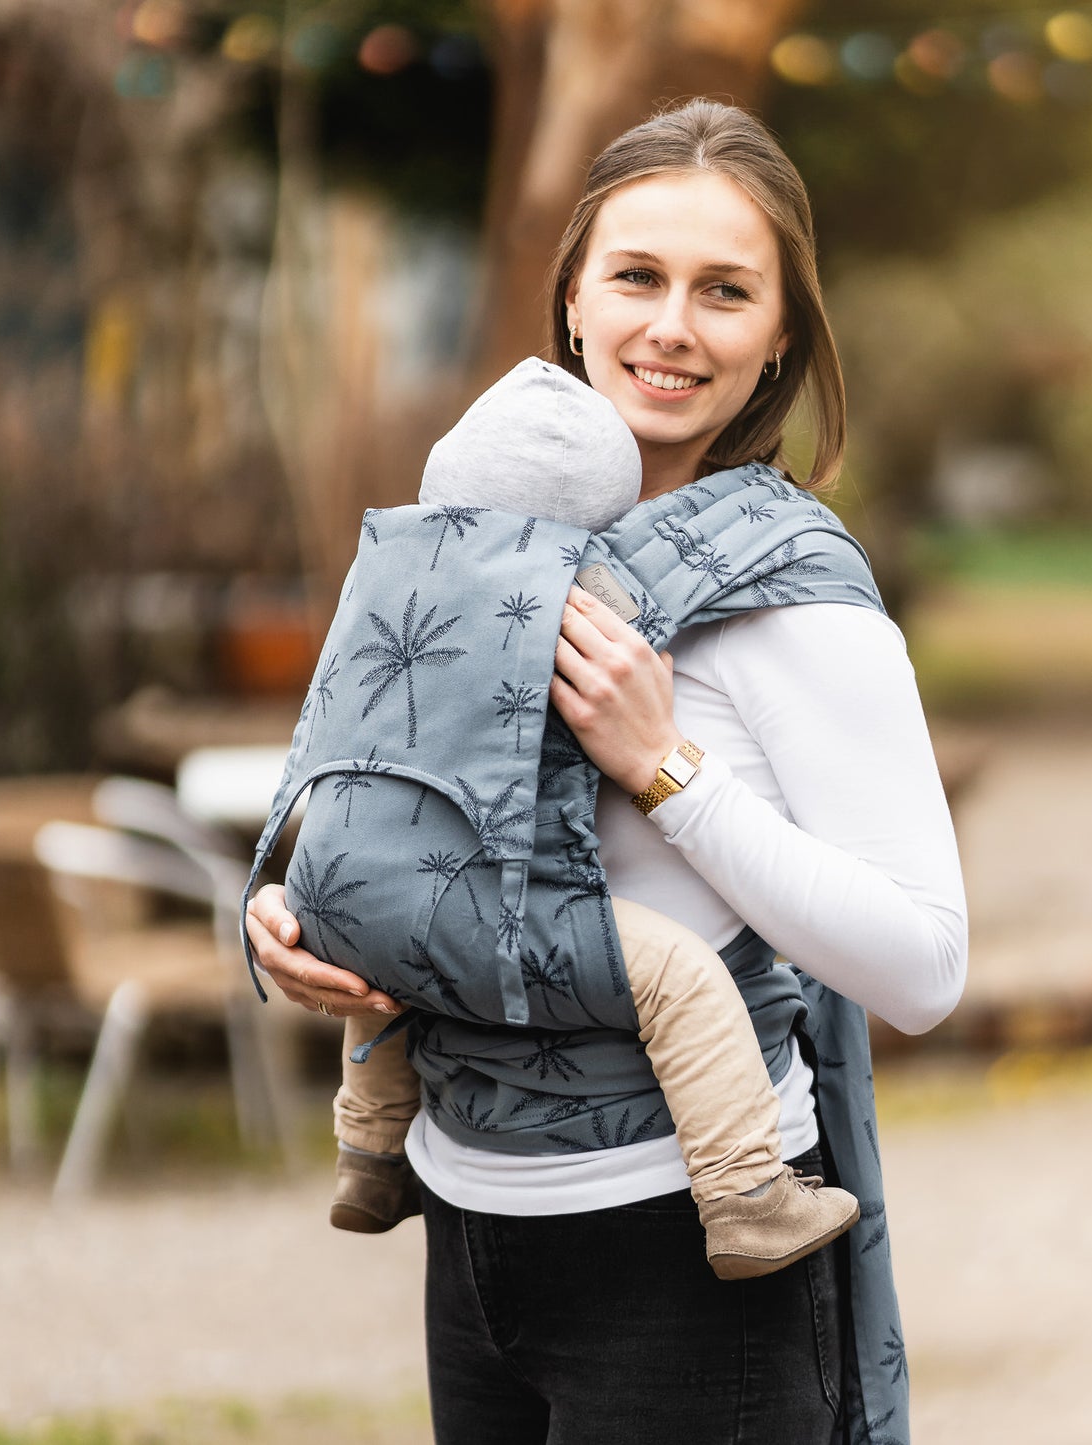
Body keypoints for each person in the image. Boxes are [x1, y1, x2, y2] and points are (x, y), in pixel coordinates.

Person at [245, 98, 966, 1445]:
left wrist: (667, 767)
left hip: (689, 1257)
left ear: (780, 344)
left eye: (724, 292)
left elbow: (923, 966)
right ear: (572, 299)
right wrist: (286, 922)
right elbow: (367, 789)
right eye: (636, 276)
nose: (671, 327)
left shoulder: (796, 603)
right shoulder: (468, 550)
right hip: (465, 1226)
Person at [301, 354, 859, 1278]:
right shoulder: (584, 594)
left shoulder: (383, 572)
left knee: (383, 970)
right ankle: (747, 1194)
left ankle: (366, 1155)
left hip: (349, 886)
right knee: (680, 978)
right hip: (494, 904)